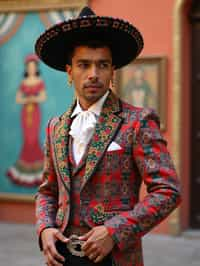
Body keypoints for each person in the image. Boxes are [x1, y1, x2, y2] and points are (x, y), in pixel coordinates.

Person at [35, 6, 181, 266]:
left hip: (116, 258)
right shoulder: (55, 127)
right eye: (84, 64)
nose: (93, 74)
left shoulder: (138, 121)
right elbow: (47, 191)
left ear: (112, 71)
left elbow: (168, 191)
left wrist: (115, 231)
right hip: (61, 257)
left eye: (102, 65)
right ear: (69, 71)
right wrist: (45, 228)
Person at [7, 54, 46, 187]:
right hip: (25, 113)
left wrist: (30, 99)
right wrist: (29, 99)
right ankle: (25, 172)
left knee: (33, 139)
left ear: (36, 68)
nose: (31, 69)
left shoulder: (39, 81)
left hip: (35, 113)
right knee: (27, 139)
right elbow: (18, 98)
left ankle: (38, 171)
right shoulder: (24, 82)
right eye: (28, 67)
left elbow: (42, 97)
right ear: (26, 68)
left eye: (33, 66)